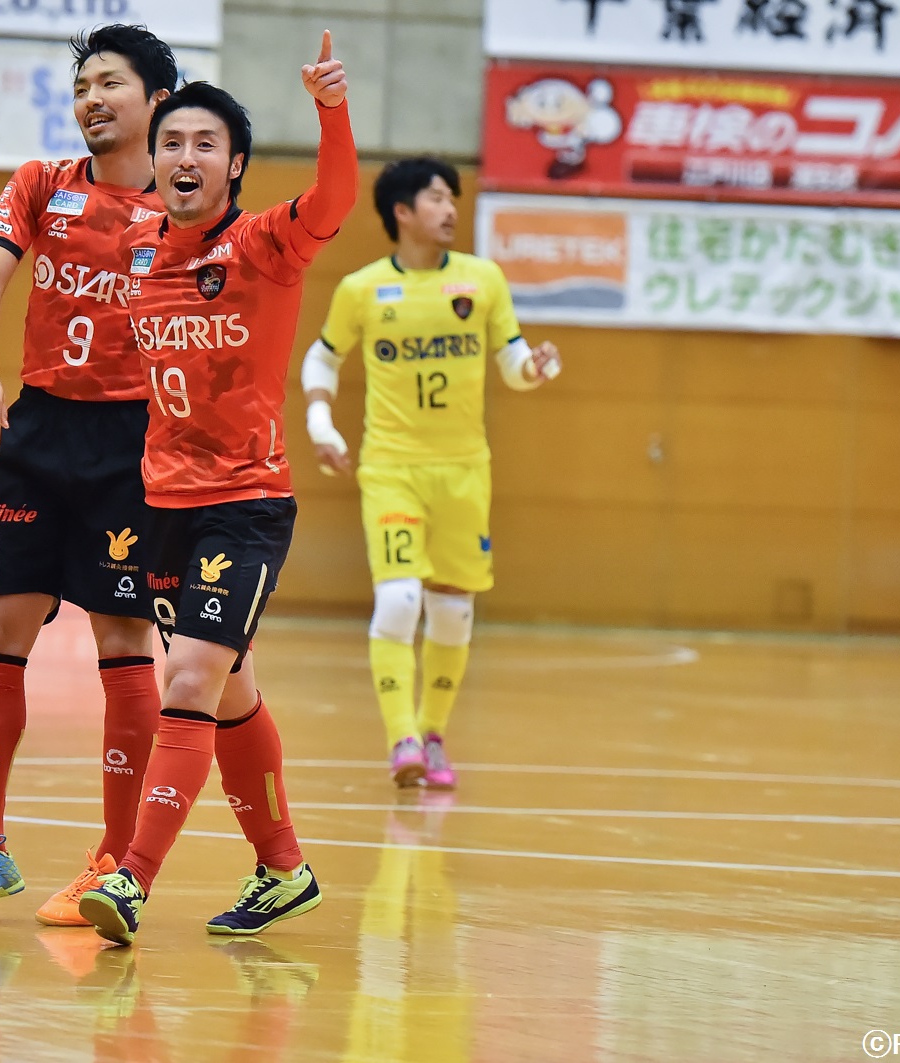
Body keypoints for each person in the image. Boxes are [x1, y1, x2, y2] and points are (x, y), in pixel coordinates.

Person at [77, 31, 358, 947]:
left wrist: (331, 109)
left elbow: (335, 199)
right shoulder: (136, 248)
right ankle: (284, 870)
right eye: (172, 142)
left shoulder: (265, 244)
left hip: (245, 504)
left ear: (234, 165)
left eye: (206, 143)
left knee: (190, 676)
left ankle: (131, 879)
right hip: (163, 504)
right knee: (231, 689)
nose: (185, 156)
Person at [0, 25, 176, 925]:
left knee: (123, 639)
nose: (91, 99)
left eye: (110, 83)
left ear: (157, 100)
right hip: (39, 428)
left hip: (134, 442)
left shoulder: (184, 208)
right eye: (82, 86)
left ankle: (113, 865)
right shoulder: (42, 182)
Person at [300, 156, 561, 790]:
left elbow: (512, 361)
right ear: (403, 211)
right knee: (399, 599)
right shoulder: (363, 289)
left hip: (465, 471)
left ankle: (434, 733)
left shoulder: (482, 279)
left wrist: (535, 368)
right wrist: (320, 423)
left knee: (452, 612)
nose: (450, 209)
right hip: (391, 468)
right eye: (438, 198)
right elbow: (323, 357)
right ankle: (402, 740)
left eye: (453, 198)